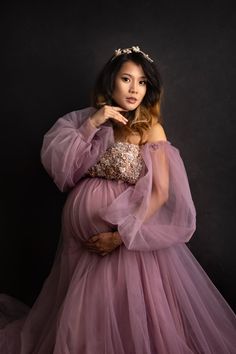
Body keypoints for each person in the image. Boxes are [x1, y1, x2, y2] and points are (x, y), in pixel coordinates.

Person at [0, 45, 236, 353]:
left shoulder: (151, 128)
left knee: (120, 312)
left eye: (142, 82)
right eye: (126, 79)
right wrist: (93, 123)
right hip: (79, 242)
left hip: (121, 237)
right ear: (110, 82)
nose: (135, 88)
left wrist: (120, 236)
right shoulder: (87, 121)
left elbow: (161, 192)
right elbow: (61, 170)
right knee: (84, 312)